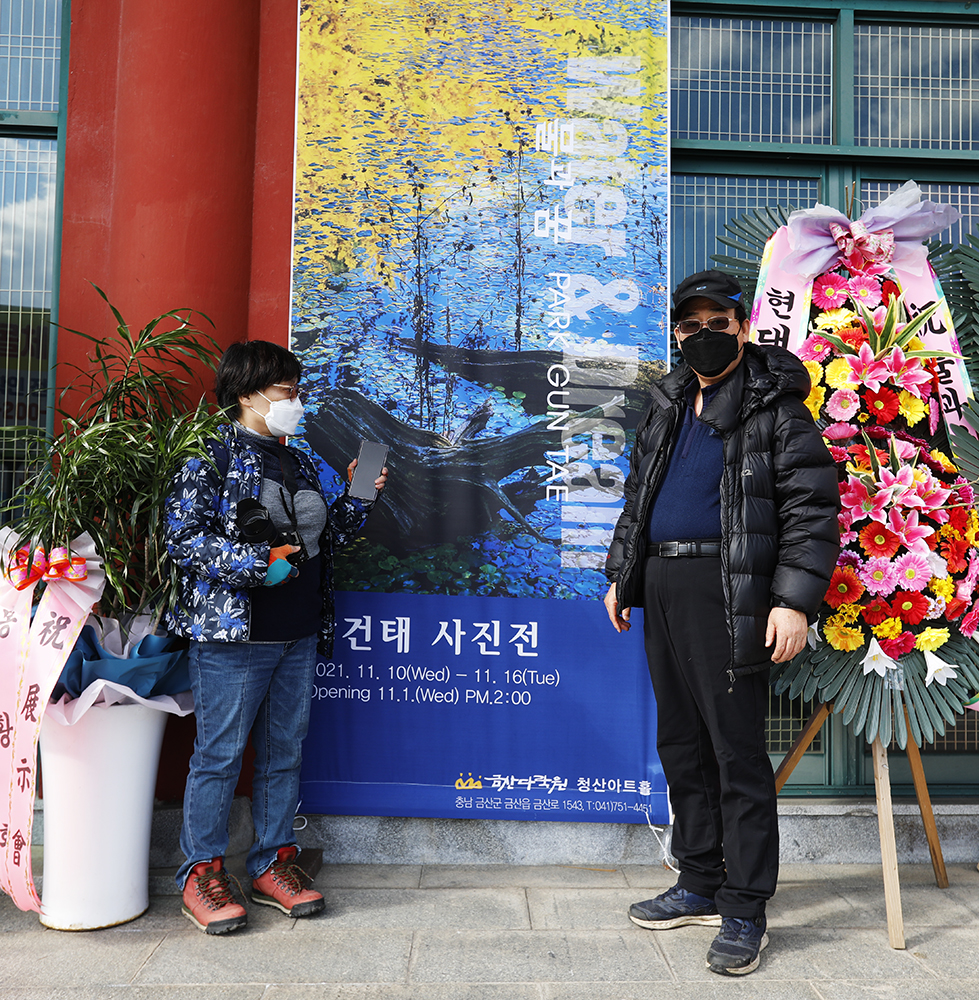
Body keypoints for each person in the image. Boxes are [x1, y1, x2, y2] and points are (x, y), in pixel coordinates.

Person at [603, 270, 840, 975]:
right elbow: (639, 495)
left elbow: (810, 511)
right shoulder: (668, 402)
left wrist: (792, 601)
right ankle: (700, 880)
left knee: (735, 753)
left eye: (717, 324)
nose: (703, 336)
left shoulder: (777, 410)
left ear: (742, 328)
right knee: (681, 743)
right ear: (675, 333)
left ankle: (744, 908)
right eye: (690, 325)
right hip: (663, 582)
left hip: (728, 589)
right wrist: (623, 574)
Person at [163, 340, 387, 935]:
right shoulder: (209, 456)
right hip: (236, 638)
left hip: (297, 633)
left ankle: (270, 864)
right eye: (287, 391)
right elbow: (183, 539)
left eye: (297, 390)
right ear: (247, 394)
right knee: (219, 757)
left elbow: (321, 540)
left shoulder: (299, 461)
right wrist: (258, 564)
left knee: (284, 753)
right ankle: (200, 874)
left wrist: (359, 495)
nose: (297, 401)